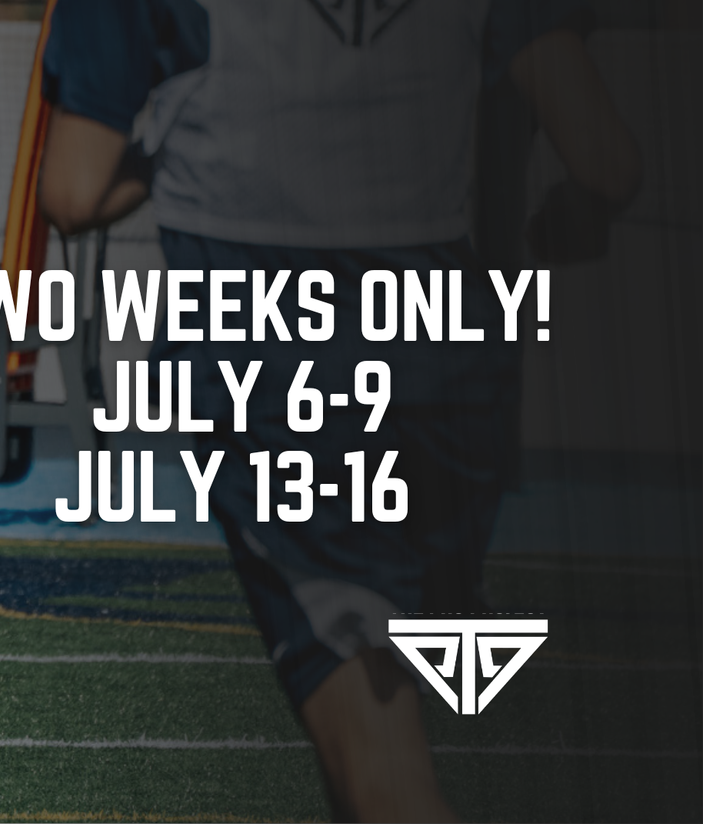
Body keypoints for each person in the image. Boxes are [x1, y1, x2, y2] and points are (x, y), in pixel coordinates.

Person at [36, 1, 639, 820]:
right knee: (366, 724)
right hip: (449, 362)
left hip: (275, 350)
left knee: (381, 758)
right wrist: (573, 217)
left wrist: (181, 146)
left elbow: (73, 191)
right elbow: (607, 162)